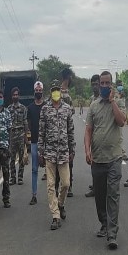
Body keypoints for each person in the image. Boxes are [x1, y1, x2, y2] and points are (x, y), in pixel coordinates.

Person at [85, 71, 127, 249]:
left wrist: (112, 102)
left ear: (111, 84)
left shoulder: (118, 103)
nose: (103, 86)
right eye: (101, 83)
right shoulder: (93, 106)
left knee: (113, 195)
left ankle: (112, 233)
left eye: (107, 83)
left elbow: (121, 122)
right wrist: (87, 150)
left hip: (114, 158)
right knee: (100, 196)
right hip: (98, 159)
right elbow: (88, 130)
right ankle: (104, 222)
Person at [38, 80, 75, 230]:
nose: (55, 93)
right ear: (50, 92)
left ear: (60, 91)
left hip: (64, 152)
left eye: (57, 90)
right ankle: (55, 216)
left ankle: (60, 204)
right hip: (50, 153)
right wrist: (40, 151)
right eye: (53, 90)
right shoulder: (45, 109)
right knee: (50, 185)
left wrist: (72, 149)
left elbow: (71, 130)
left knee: (66, 183)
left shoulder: (67, 109)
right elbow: (41, 132)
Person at [26, 81, 46, 205]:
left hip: (45, 143)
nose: (38, 92)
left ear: (42, 91)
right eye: (36, 90)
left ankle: (52, 193)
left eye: (40, 90)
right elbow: (28, 124)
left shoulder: (46, 107)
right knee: (34, 169)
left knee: (50, 168)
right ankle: (34, 195)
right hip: (34, 142)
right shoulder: (30, 108)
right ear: (34, 91)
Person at [58, 67, 76, 198]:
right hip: (64, 131)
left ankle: (64, 186)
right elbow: (71, 112)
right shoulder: (64, 94)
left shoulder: (57, 92)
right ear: (68, 77)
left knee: (63, 160)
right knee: (67, 160)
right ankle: (68, 187)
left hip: (60, 131)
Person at [7, 86, 28, 185]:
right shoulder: (8, 109)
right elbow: (7, 124)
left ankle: (20, 177)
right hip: (12, 134)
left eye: (17, 94)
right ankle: (13, 177)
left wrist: (26, 138)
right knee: (12, 158)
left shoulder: (23, 108)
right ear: (12, 96)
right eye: (14, 95)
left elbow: (25, 123)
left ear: (19, 96)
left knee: (21, 157)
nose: (15, 96)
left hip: (20, 134)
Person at [84, 74, 101, 198]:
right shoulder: (91, 99)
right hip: (93, 134)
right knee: (93, 163)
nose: (95, 86)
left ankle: (98, 186)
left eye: (97, 84)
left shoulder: (103, 98)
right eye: (93, 84)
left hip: (102, 134)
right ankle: (96, 186)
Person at [114, 80, 128, 161]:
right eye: (119, 85)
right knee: (118, 136)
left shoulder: (123, 95)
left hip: (120, 117)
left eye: (121, 85)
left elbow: (124, 108)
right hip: (114, 117)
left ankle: (122, 152)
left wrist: (126, 119)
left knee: (119, 136)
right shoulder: (115, 94)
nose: (120, 86)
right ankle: (121, 153)